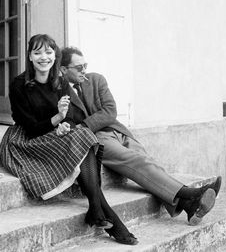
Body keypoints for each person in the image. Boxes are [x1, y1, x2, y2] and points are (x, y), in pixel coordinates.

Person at [0, 34, 138, 246]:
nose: (43, 57)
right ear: (29, 56)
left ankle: (96, 208)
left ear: (55, 56)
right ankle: (102, 211)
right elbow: (29, 126)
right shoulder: (19, 84)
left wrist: (64, 124)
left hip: (54, 132)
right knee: (80, 139)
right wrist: (57, 119)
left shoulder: (60, 81)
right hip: (27, 140)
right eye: (37, 52)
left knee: (83, 134)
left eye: (48, 52)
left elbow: (72, 117)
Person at [60, 46, 222, 226]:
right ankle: (192, 194)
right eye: (79, 67)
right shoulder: (60, 92)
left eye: (85, 65)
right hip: (96, 139)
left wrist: (85, 123)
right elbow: (70, 123)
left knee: (150, 164)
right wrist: (85, 127)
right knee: (138, 162)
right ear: (64, 70)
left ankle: (187, 205)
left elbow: (110, 110)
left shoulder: (96, 80)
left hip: (118, 131)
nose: (84, 70)